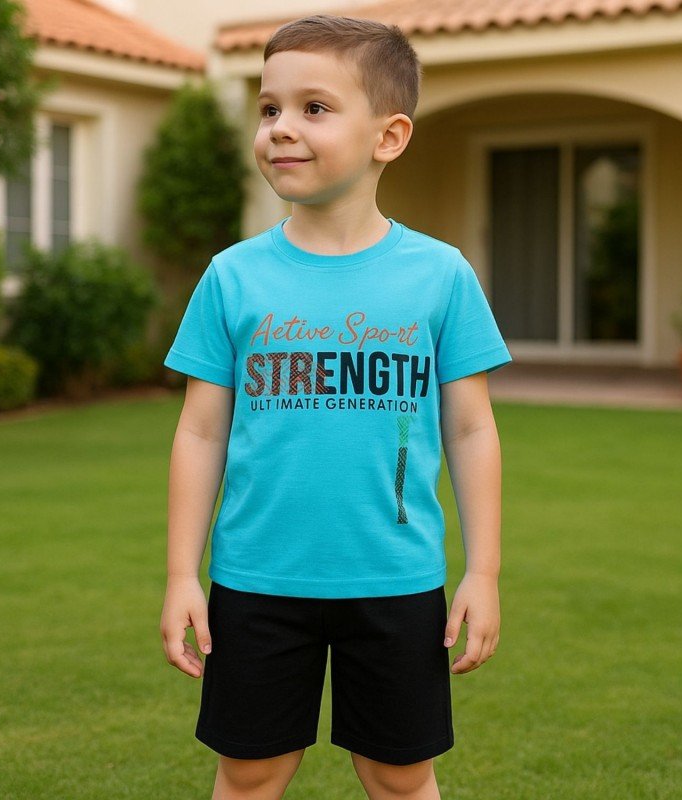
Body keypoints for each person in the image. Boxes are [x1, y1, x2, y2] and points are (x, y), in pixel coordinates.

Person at [159, 13, 512, 800]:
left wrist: (483, 571)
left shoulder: (442, 276)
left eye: (313, 108)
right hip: (256, 580)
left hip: (396, 580)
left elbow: (470, 429)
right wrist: (183, 573)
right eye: (269, 108)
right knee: (250, 771)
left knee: (399, 774)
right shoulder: (231, 278)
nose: (281, 128)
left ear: (389, 136)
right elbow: (201, 432)